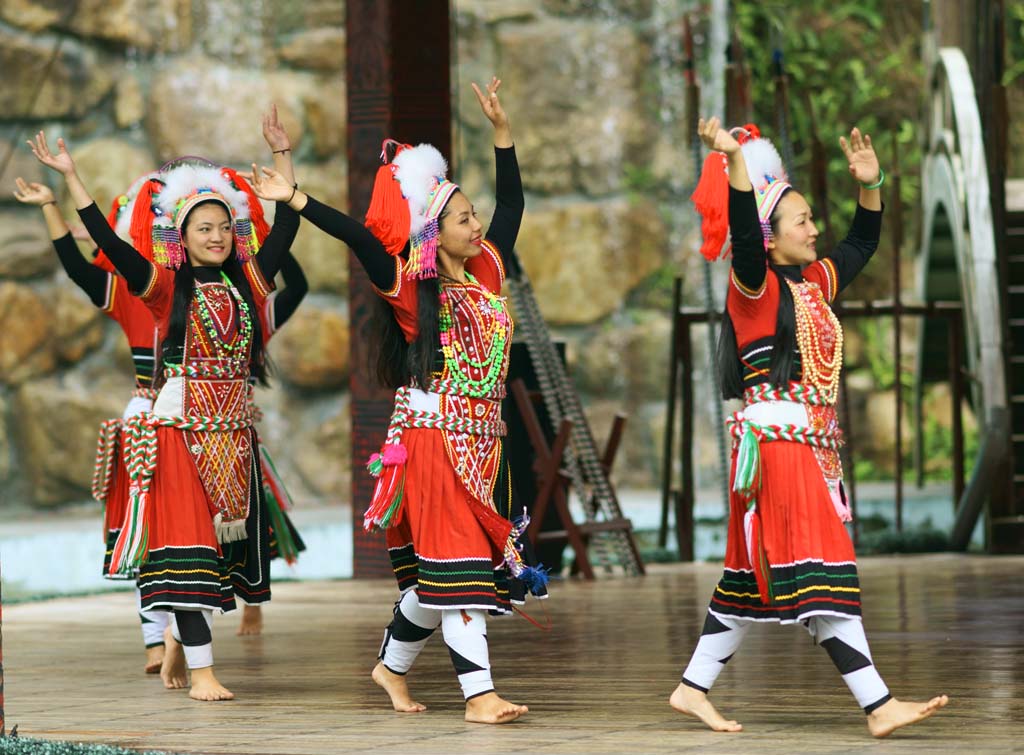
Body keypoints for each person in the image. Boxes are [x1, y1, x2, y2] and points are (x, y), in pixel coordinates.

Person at [248, 77, 545, 724]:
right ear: (435, 229)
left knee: (438, 578)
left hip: (484, 443)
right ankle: (480, 695)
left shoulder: (490, 267)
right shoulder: (409, 283)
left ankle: (391, 664)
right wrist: (293, 194)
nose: (478, 223)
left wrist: (502, 131)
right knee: (460, 564)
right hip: (434, 441)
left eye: (474, 215)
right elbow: (359, 238)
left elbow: (514, 206)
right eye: (464, 217)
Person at [669, 117, 949, 737]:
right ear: (770, 237)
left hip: (807, 447)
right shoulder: (756, 287)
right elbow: (742, 232)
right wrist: (734, 164)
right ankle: (879, 705)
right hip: (780, 447)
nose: (814, 228)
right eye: (801, 221)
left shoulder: (812, 285)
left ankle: (692, 689)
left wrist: (871, 186)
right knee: (824, 568)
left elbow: (863, 243)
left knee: (750, 580)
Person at [29, 129, 299, 702]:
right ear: (182, 236)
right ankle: (199, 668)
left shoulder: (248, 283)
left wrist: (283, 166)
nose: (219, 236)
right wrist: (68, 181)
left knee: (226, 557)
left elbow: (289, 233)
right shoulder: (160, 288)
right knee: (186, 552)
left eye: (226, 227)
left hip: (233, 438)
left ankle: (177, 640)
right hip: (177, 434)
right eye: (205, 228)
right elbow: (101, 241)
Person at [13, 175, 169, 675]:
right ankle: (154, 640)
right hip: (151, 421)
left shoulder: (216, 285)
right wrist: (51, 202)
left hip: (208, 421)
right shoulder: (130, 292)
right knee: (148, 530)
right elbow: (80, 267)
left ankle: (193, 632)